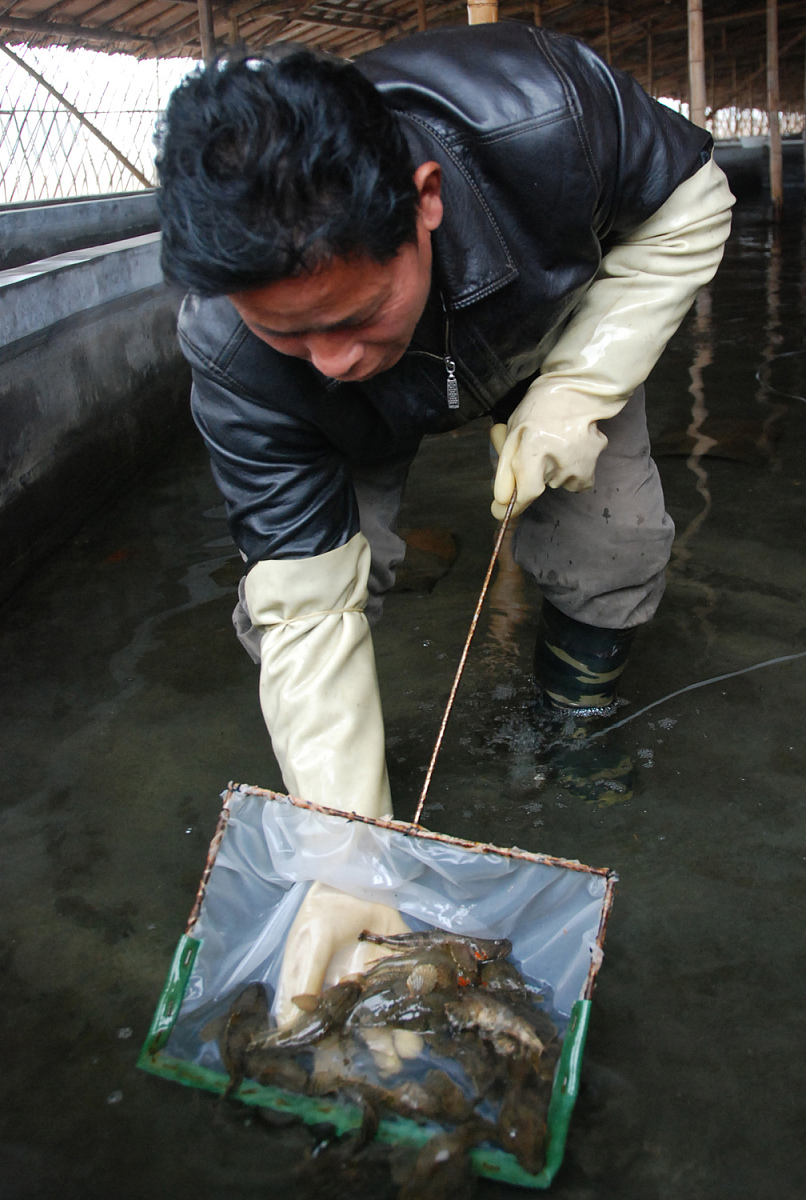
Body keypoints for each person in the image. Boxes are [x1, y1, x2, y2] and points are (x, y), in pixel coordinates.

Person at [156, 23, 734, 1022]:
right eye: (286, 329)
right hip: (350, 429)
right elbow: (306, 605)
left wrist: (580, 388)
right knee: (295, 613)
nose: (331, 357)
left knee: (613, 539)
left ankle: (571, 721)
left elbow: (694, 204)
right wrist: (346, 859)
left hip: (549, 327)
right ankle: (359, 811)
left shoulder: (548, 116)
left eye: (353, 315)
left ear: (424, 201)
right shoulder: (237, 359)